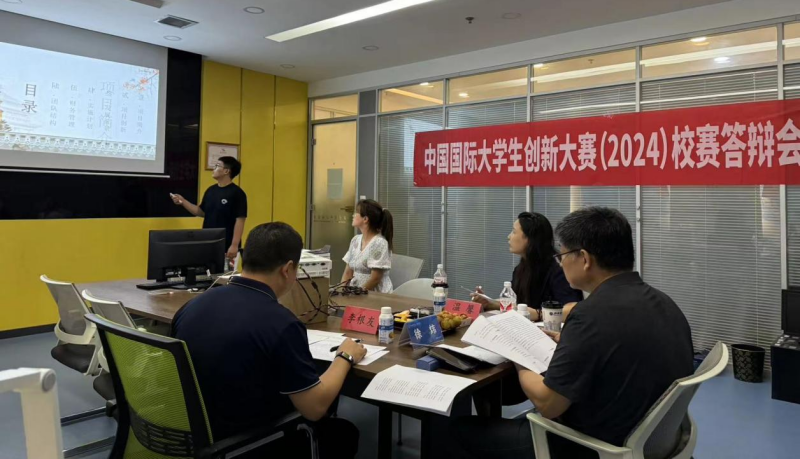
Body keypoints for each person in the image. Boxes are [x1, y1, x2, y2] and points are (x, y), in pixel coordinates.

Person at [452, 207, 694, 459]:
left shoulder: (591, 315)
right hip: (647, 436)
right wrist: (570, 340)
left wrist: (517, 352)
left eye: (563, 255)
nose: (560, 261)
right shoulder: (664, 302)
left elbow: (547, 404)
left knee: (460, 429)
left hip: (594, 446)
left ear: (585, 259)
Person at [172, 222, 366, 458]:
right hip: (249, 442)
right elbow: (314, 409)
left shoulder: (191, 307)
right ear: (288, 269)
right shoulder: (282, 323)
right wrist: (345, 356)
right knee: (344, 434)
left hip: (196, 434)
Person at [471, 212, 582, 320]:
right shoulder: (521, 268)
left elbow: (573, 308)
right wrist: (490, 303)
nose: (509, 237)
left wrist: (539, 314)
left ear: (530, 238)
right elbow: (517, 305)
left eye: (514, 232)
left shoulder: (558, 269)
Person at [171, 156, 247, 270]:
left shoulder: (237, 193)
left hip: (227, 244)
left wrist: (234, 245)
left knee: (224, 276)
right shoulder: (211, 190)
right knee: (206, 275)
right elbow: (200, 212)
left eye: (217, 166)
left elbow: (240, 220)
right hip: (208, 242)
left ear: (226, 171)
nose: (213, 168)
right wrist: (183, 201)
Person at [341, 199, 394, 293]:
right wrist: (341, 291)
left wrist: (356, 294)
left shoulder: (379, 243)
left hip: (375, 295)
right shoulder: (355, 240)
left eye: (356, 213)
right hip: (356, 293)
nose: (353, 215)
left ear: (365, 219)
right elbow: (348, 272)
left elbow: (375, 279)